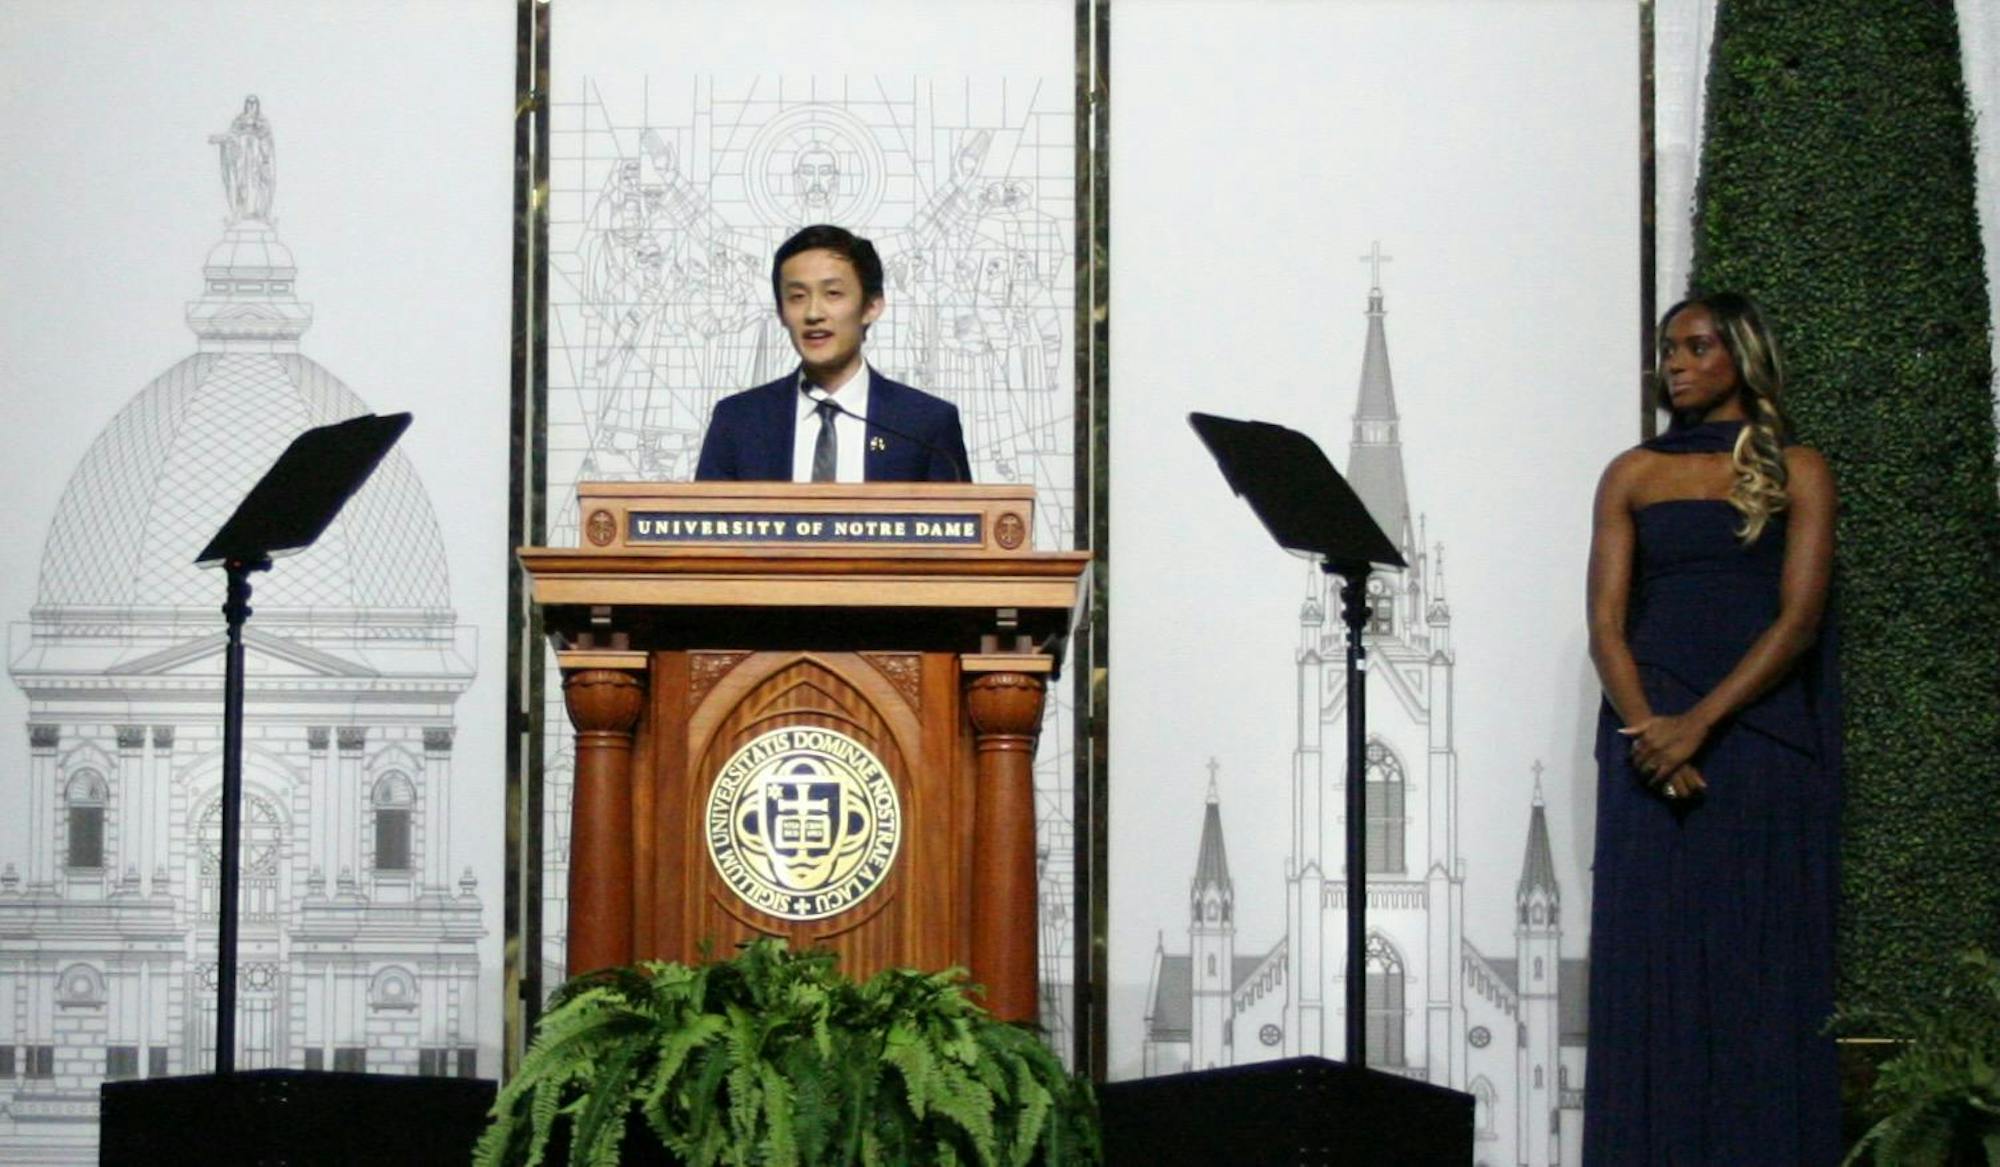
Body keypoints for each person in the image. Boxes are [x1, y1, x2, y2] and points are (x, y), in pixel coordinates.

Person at [1583, 292, 1841, 1165]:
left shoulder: (1800, 468)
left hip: (1757, 748)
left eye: (1696, 346)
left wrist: (1699, 724)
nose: (1676, 363)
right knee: (1650, 978)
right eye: (1667, 348)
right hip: (1649, 754)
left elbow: (1799, 620)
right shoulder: (1630, 472)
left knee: (1760, 977)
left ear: (1743, 357)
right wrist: (1651, 731)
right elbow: (1606, 625)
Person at [694, 224, 970, 482]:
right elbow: (703, 528)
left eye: (833, 293)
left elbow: (964, 530)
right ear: (780, 313)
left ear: (872, 306)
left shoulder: (925, 424)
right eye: (797, 297)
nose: (814, 314)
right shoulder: (738, 420)